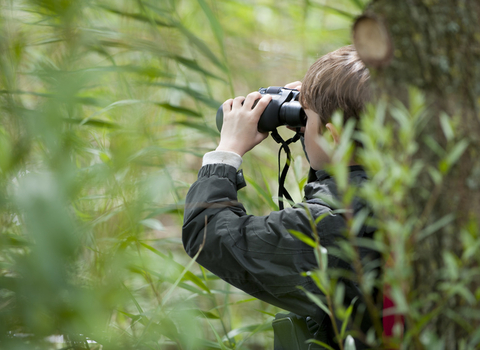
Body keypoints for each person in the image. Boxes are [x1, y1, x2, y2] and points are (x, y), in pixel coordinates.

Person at [182, 45, 379, 349]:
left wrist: (226, 153)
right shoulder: (422, 189)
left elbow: (208, 234)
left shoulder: (326, 225)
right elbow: (348, 178)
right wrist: (315, 120)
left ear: (333, 136)